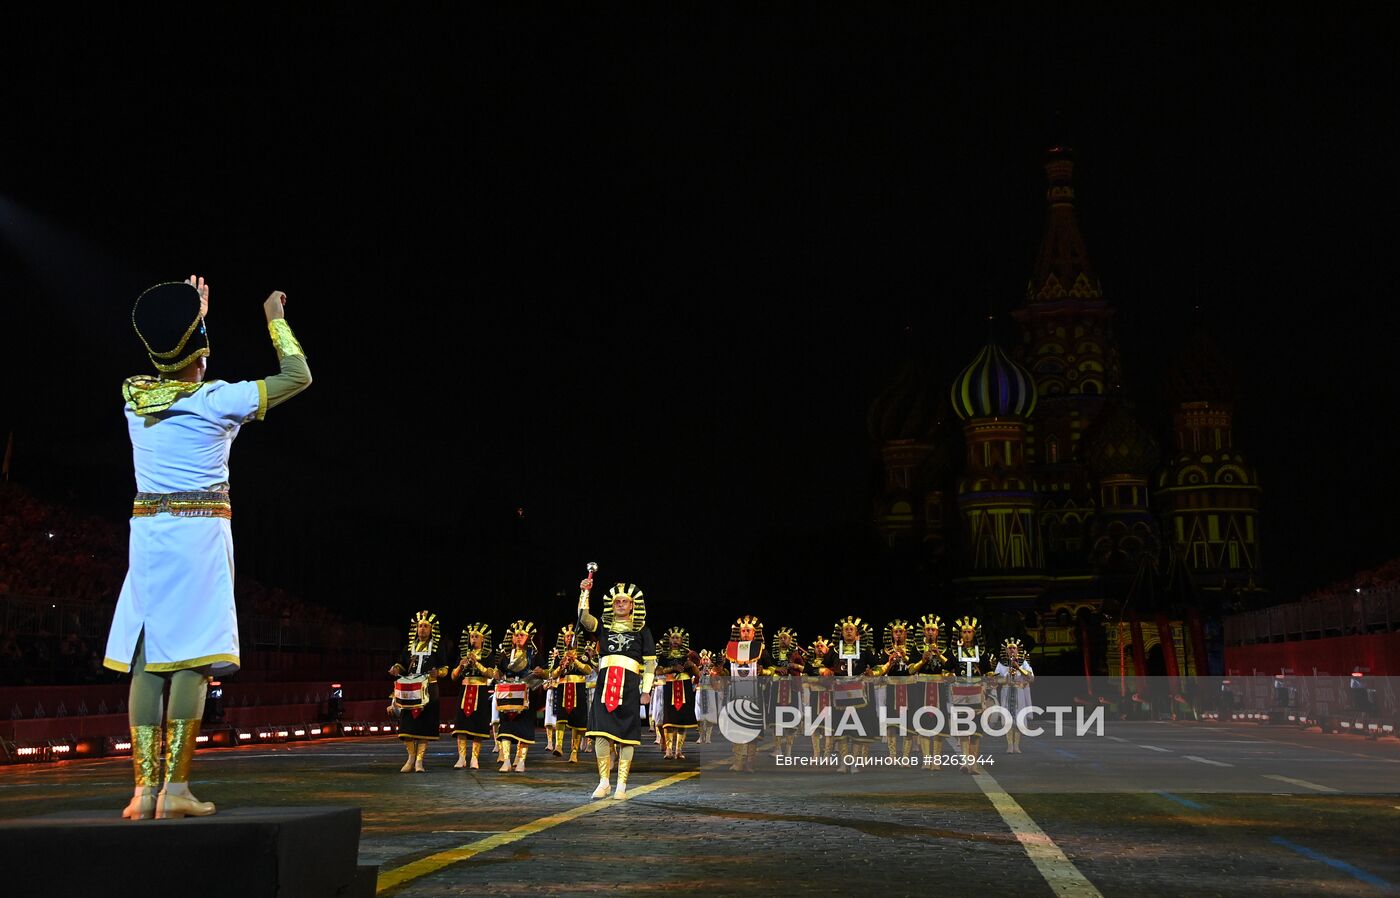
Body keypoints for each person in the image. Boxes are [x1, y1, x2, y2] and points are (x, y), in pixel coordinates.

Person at [103, 276, 311, 819]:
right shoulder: (218, 399)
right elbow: (298, 375)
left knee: (148, 662)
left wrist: (193, 320)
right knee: (192, 661)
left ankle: (143, 791)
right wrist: (274, 317)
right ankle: (175, 791)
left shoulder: (135, 400)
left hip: (148, 534)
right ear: (202, 349)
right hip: (199, 536)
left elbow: (171, 370)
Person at [578, 577, 655, 800]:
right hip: (605, 683)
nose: (620, 604)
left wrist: (646, 690)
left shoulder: (643, 630)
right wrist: (585, 592)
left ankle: (621, 784)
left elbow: (650, 663)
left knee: (626, 736)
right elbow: (584, 619)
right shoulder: (603, 626)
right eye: (617, 601)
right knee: (600, 732)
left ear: (632, 605)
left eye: (624, 601)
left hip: (630, 685)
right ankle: (604, 782)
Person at [389, 611, 450, 772]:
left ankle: (419, 761)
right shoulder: (409, 646)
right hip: (410, 689)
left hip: (429, 690)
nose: (422, 629)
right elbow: (401, 663)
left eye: (425, 626)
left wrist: (439, 673)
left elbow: (445, 668)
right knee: (408, 725)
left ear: (431, 629)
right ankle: (410, 758)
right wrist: (396, 668)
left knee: (424, 726)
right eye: (420, 626)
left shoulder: (437, 647)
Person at [490, 620, 543, 772]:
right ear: (512, 638)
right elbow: (499, 673)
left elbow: (545, 672)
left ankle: (521, 760)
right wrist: (495, 673)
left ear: (528, 637)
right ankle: (506, 760)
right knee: (506, 727)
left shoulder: (533, 655)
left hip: (526, 696)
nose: (518, 637)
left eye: (522, 635)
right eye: (516, 635)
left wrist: (541, 672)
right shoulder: (505, 655)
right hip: (507, 695)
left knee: (523, 729)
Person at [723, 615, 767, 772]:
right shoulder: (730, 649)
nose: (746, 633)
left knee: (752, 729)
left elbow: (773, 669)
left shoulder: (761, 649)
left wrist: (765, 671)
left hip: (755, 695)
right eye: (743, 631)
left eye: (749, 630)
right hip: (736, 695)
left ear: (754, 633)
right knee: (736, 729)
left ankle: (750, 763)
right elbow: (726, 670)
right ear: (739, 633)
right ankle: (737, 762)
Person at [450, 623, 494, 769]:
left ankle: (475, 758)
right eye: (472, 637)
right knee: (462, 725)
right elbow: (453, 677)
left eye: (476, 637)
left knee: (478, 725)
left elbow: (491, 674)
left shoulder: (487, 655)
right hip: (465, 690)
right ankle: (461, 757)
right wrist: (460, 666)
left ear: (483, 639)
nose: (473, 639)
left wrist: (477, 664)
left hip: (480, 691)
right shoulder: (463, 654)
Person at [550, 624, 593, 763]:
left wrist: (575, 660)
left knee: (577, 721)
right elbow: (553, 674)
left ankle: (574, 751)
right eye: (567, 636)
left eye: (571, 636)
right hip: (563, 687)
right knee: (561, 717)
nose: (569, 638)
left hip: (578, 687)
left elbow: (588, 671)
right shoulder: (560, 655)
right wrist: (561, 666)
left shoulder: (583, 654)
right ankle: (559, 745)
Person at [656, 627, 699, 759]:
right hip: (670, 686)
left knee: (682, 720)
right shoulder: (664, 655)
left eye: (678, 638)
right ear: (668, 639)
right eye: (673, 637)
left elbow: (697, 675)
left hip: (685, 686)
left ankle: (678, 750)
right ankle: (669, 750)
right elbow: (658, 671)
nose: (675, 640)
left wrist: (691, 665)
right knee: (669, 719)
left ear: (682, 640)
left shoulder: (688, 654)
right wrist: (673, 668)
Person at [766, 627, 804, 759]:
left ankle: (788, 751)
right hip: (777, 688)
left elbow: (804, 668)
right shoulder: (773, 655)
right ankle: (777, 749)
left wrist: (795, 667)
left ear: (791, 640)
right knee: (776, 720)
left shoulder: (797, 655)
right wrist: (776, 669)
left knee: (790, 721)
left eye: (785, 638)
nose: (782, 640)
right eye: (780, 638)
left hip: (791, 689)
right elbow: (768, 668)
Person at [995, 637, 1034, 753]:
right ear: (1006, 650)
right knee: (1008, 719)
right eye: (1010, 648)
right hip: (1006, 691)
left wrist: (1018, 668)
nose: (1012, 650)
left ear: (1018, 650)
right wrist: (1007, 676)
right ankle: (1009, 745)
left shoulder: (1024, 663)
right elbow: (996, 679)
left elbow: (1031, 678)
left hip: (1019, 691)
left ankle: (1017, 745)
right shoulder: (1001, 663)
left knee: (1019, 718)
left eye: (1014, 648)